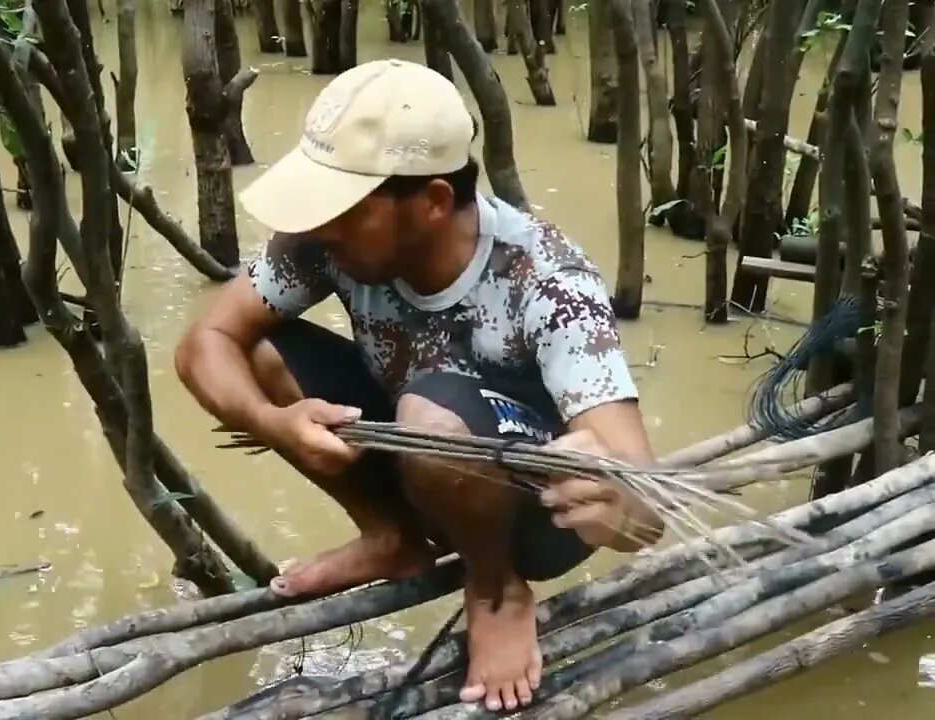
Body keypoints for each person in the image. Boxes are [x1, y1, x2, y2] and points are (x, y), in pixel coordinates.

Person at [174, 58, 665, 713]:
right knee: (260, 351)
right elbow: (203, 344)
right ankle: (390, 536)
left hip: (526, 513)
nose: (321, 226)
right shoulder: (325, 242)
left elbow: (645, 502)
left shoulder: (548, 282)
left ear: (433, 202)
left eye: (344, 208)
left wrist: (612, 500)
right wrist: (274, 422)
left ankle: (496, 590)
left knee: (429, 417)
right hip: (417, 451)